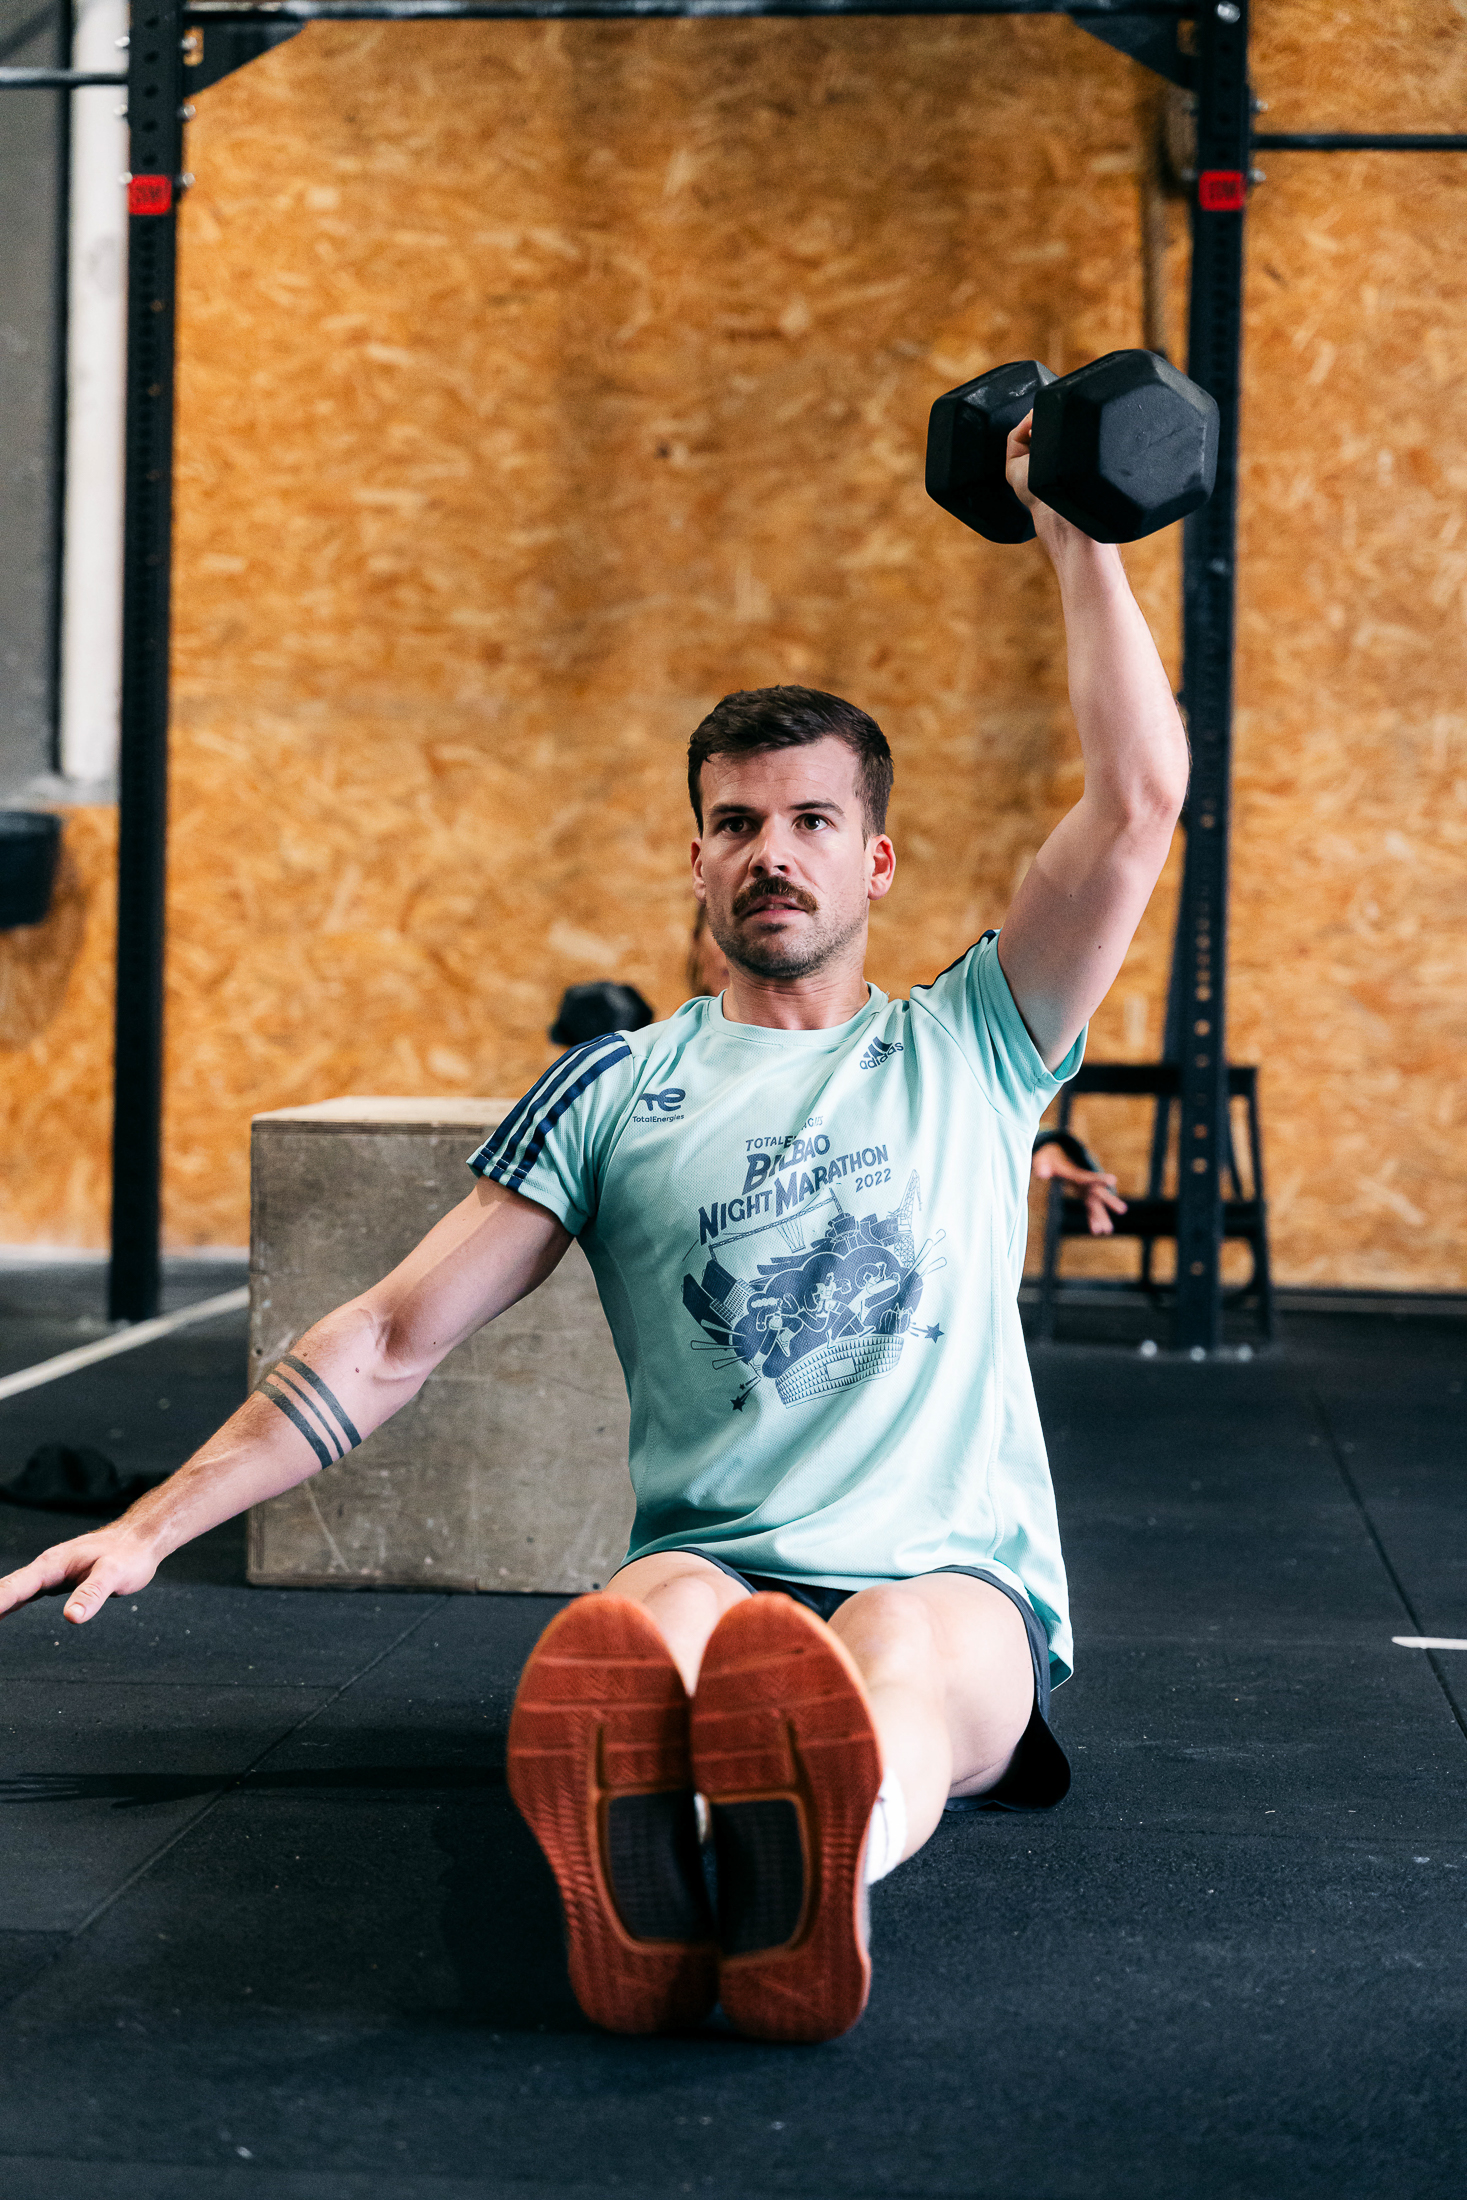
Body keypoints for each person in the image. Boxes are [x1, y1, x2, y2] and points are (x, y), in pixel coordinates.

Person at [0, 415, 1188, 2045]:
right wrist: (153, 1524)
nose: (772, 854)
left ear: (878, 861)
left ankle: (812, 1871)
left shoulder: (975, 1037)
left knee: (898, 1660)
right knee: (646, 1633)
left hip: (946, 1566)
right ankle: (685, 1867)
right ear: (695, 861)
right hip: (715, 1552)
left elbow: (1138, 800)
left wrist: (1072, 530)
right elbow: (391, 1338)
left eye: (811, 822)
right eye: (737, 824)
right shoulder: (615, 1089)